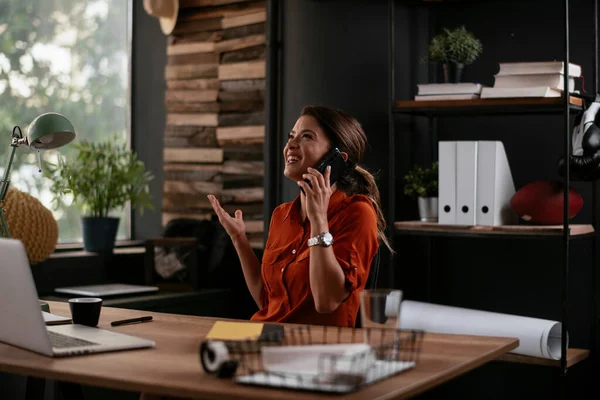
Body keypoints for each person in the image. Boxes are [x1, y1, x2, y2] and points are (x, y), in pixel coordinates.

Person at [207, 105, 393, 328]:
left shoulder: (357, 213)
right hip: (266, 336)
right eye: (291, 136)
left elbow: (326, 302)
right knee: (201, 343)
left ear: (337, 159)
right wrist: (238, 238)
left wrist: (318, 220)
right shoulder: (281, 215)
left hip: (316, 348)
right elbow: (267, 302)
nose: (291, 145)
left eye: (307, 137)